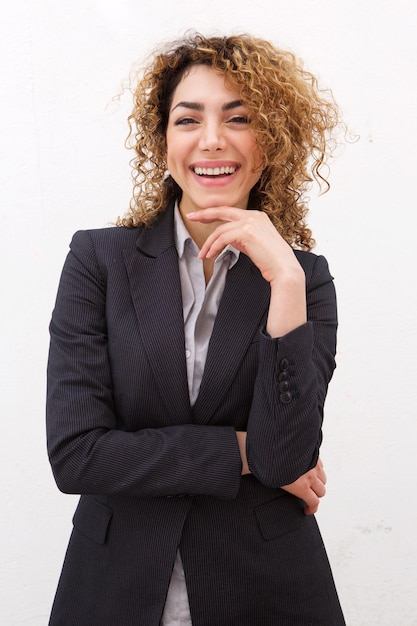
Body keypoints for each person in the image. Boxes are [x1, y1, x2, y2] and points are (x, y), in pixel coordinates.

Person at [46, 33, 346, 625]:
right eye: (189, 119)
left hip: (263, 588)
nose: (212, 139)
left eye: (239, 118)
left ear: (269, 146)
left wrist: (283, 278)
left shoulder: (303, 278)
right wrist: (238, 450)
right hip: (116, 586)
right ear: (164, 144)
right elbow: (77, 457)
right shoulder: (97, 262)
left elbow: (286, 459)